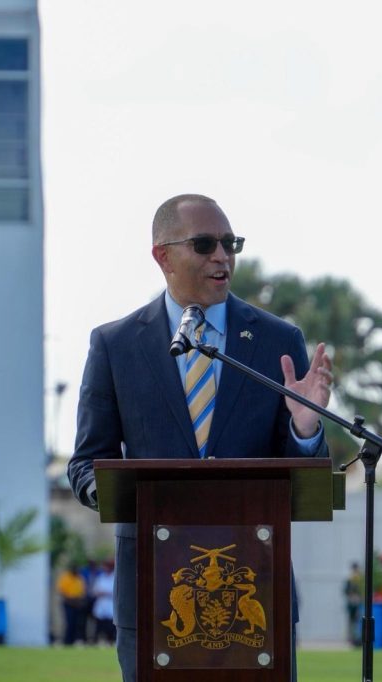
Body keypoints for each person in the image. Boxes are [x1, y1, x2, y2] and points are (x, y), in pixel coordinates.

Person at [68, 193, 332, 682]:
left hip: (255, 588)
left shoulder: (277, 341)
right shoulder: (115, 345)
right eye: (206, 244)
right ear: (163, 256)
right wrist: (122, 493)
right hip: (153, 591)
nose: (222, 256)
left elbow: (306, 469)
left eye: (231, 244)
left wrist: (305, 427)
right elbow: (86, 462)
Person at [56, 561, 89, 646]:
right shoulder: (65, 577)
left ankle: (74, 640)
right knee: (69, 622)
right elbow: (62, 592)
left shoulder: (79, 578)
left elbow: (83, 591)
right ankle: (67, 641)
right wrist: (71, 601)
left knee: (77, 623)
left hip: (77, 604)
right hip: (68, 603)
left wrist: (79, 601)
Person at [91, 559, 117, 644]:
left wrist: (105, 593)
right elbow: (95, 591)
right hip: (101, 604)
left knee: (110, 626)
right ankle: (97, 641)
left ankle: (111, 640)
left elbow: (115, 592)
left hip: (110, 604)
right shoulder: (100, 578)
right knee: (99, 625)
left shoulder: (114, 577)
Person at [343, 562, 362, 646]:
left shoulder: (360, 579)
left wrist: (359, 598)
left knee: (358, 621)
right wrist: (352, 597)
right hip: (351, 604)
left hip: (359, 604)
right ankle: (351, 639)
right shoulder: (349, 580)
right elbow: (346, 591)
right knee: (351, 622)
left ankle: (358, 638)